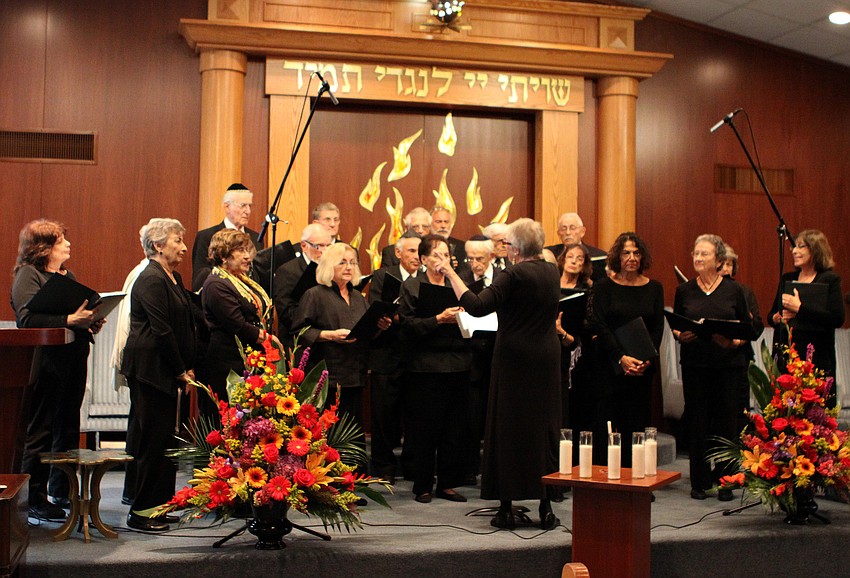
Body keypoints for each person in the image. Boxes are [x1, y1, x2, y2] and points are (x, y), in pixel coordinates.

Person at [441, 219, 561, 530]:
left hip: (515, 359)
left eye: (505, 243)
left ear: (516, 249)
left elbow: (477, 306)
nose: (502, 248)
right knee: (541, 427)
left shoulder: (515, 273)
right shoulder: (551, 270)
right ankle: (546, 505)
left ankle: (506, 506)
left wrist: (451, 272)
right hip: (546, 357)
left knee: (508, 429)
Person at [11, 219, 103, 522]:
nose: (68, 244)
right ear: (44, 247)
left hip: (73, 357)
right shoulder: (29, 274)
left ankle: (61, 490)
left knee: (67, 425)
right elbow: (27, 320)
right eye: (61, 239)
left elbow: (75, 315)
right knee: (41, 430)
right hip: (45, 362)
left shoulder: (67, 275)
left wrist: (90, 319)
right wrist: (68, 319)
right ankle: (33, 497)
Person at [120, 218, 196, 532]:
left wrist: (185, 365)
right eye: (177, 240)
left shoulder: (173, 276)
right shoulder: (150, 278)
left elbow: (182, 325)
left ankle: (160, 505)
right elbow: (162, 330)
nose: (183, 246)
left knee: (166, 440)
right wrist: (181, 369)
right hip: (150, 370)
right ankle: (140, 512)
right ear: (158, 245)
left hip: (165, 369)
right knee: (152, 440)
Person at [673, 234, 759, 501]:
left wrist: (735, 340)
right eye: (696, 253)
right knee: (697, 422)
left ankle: (726, 482)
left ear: (719, 260)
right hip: (695, 364)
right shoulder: (684, 290)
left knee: (726, 425)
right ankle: (699, 482)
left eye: (704, 254)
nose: (698, 258)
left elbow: (751, 328)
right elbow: (676, 324)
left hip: (728, 366)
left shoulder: (735, 290)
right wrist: (679, 334)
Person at [398, 234, 471, 504]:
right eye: (437, 255)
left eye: (446, 255)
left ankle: (449, 483)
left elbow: (476, 310)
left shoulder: (458, 284)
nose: (443, 261)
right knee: (426, 428)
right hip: (425, 366)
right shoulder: (413, 286)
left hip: (458, 363)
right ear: (424, 259)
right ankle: (423, 484)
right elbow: (406, 326)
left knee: (454, 427)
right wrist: (438, 319)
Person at [291, 243, 390, 444]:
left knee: (353, 429)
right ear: (329, 266)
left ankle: (354, 473)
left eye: (352, 262)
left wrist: (379, 326)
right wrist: (329, 335)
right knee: (330, 430)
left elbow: (366, 333)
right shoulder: (315, 294)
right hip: (328, 375)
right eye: (342, 262)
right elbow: (298, 332)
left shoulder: (357, 297)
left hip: (355, 373)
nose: (349, 267)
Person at [586, 233, 664, 467]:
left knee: (636, 426)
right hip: (609, 366)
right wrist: (620, 357)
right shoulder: (603, 287)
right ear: (617, 256)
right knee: (605, 424)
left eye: (636, 253)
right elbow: (599, 324)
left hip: (641, 369)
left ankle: (636, 482)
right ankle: (603, 480)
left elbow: (657, 328)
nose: (632, 257)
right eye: (626, 253)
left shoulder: (655, 288)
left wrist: (646, 360)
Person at [200, 230, 278, 417]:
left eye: (247, 250)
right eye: (240, 250)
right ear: (223, 255)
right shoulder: (215, 284)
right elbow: (237, 324)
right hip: (228, 361)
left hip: (248, 357)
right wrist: (269, 339)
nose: (247, 256)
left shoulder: (241, 280)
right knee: (232, 418)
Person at [769, 229, 844, 406]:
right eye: (794, 247)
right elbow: (770, 315)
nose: (794, 251)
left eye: (801, 246)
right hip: (787, 357)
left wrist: (800, 309)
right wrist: (777, 317)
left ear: (816, 250)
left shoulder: (829, 280)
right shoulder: (788, 278)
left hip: (817, 359)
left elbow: (837, 318)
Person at [368, 233, 421, 483]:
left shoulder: (424, 278)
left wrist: (404, 318)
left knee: (413, 415)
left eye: (419, 252)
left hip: (415, 357)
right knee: (383, 416)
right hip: (385, 356)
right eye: (411, 251)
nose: (416, 257)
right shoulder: (383, 276)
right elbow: (377, 308)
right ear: (398, 253)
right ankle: (384, 467)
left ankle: (412, 465)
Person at [459, 235, 501, 485]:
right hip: (471, 355)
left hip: (497, 354)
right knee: (471, 415)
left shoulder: (503, 278)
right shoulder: (461, 279)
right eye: (470, 258)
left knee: (495, 413)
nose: (474, 264)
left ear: (492, 257)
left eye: (480, 259)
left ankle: (494, 467)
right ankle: (469, 468)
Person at [721, 244, 764, 422]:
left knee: (739, 410)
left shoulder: (744, 291)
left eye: (729, 265)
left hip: (739, 357)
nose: (725, 269)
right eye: (721, 264)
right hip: (712, 357)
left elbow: (757, 325)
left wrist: (739, 340)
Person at [554, 243, 594, 436]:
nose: (574, 261)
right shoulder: (551, 285)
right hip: (550, 349)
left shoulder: (587, 291)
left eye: (580, 258)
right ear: (563, 259)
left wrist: (563, 332)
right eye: (571, 256)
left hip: (575, 354)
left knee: (573, 407)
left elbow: (587, 329)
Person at [191, 183, 261, 291]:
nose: (248, 211)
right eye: (243, 205)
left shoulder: (256, 238)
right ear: (227, 206)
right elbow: (199, 279)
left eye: (249, 206)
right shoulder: (206, 236)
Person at [272, 223, 333, 337]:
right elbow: (286, 313)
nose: (325, 251)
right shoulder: (287, 271)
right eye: (319, 246)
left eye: (328, 246)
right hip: (298, 338)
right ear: (304, 246)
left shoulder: (331, 270)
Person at [544, 212, 606, 281]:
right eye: (563, 229)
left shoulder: (599, 256)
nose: (568, 233)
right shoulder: (549, 254)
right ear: (558, 234)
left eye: (572, 228)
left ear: (582, 232)